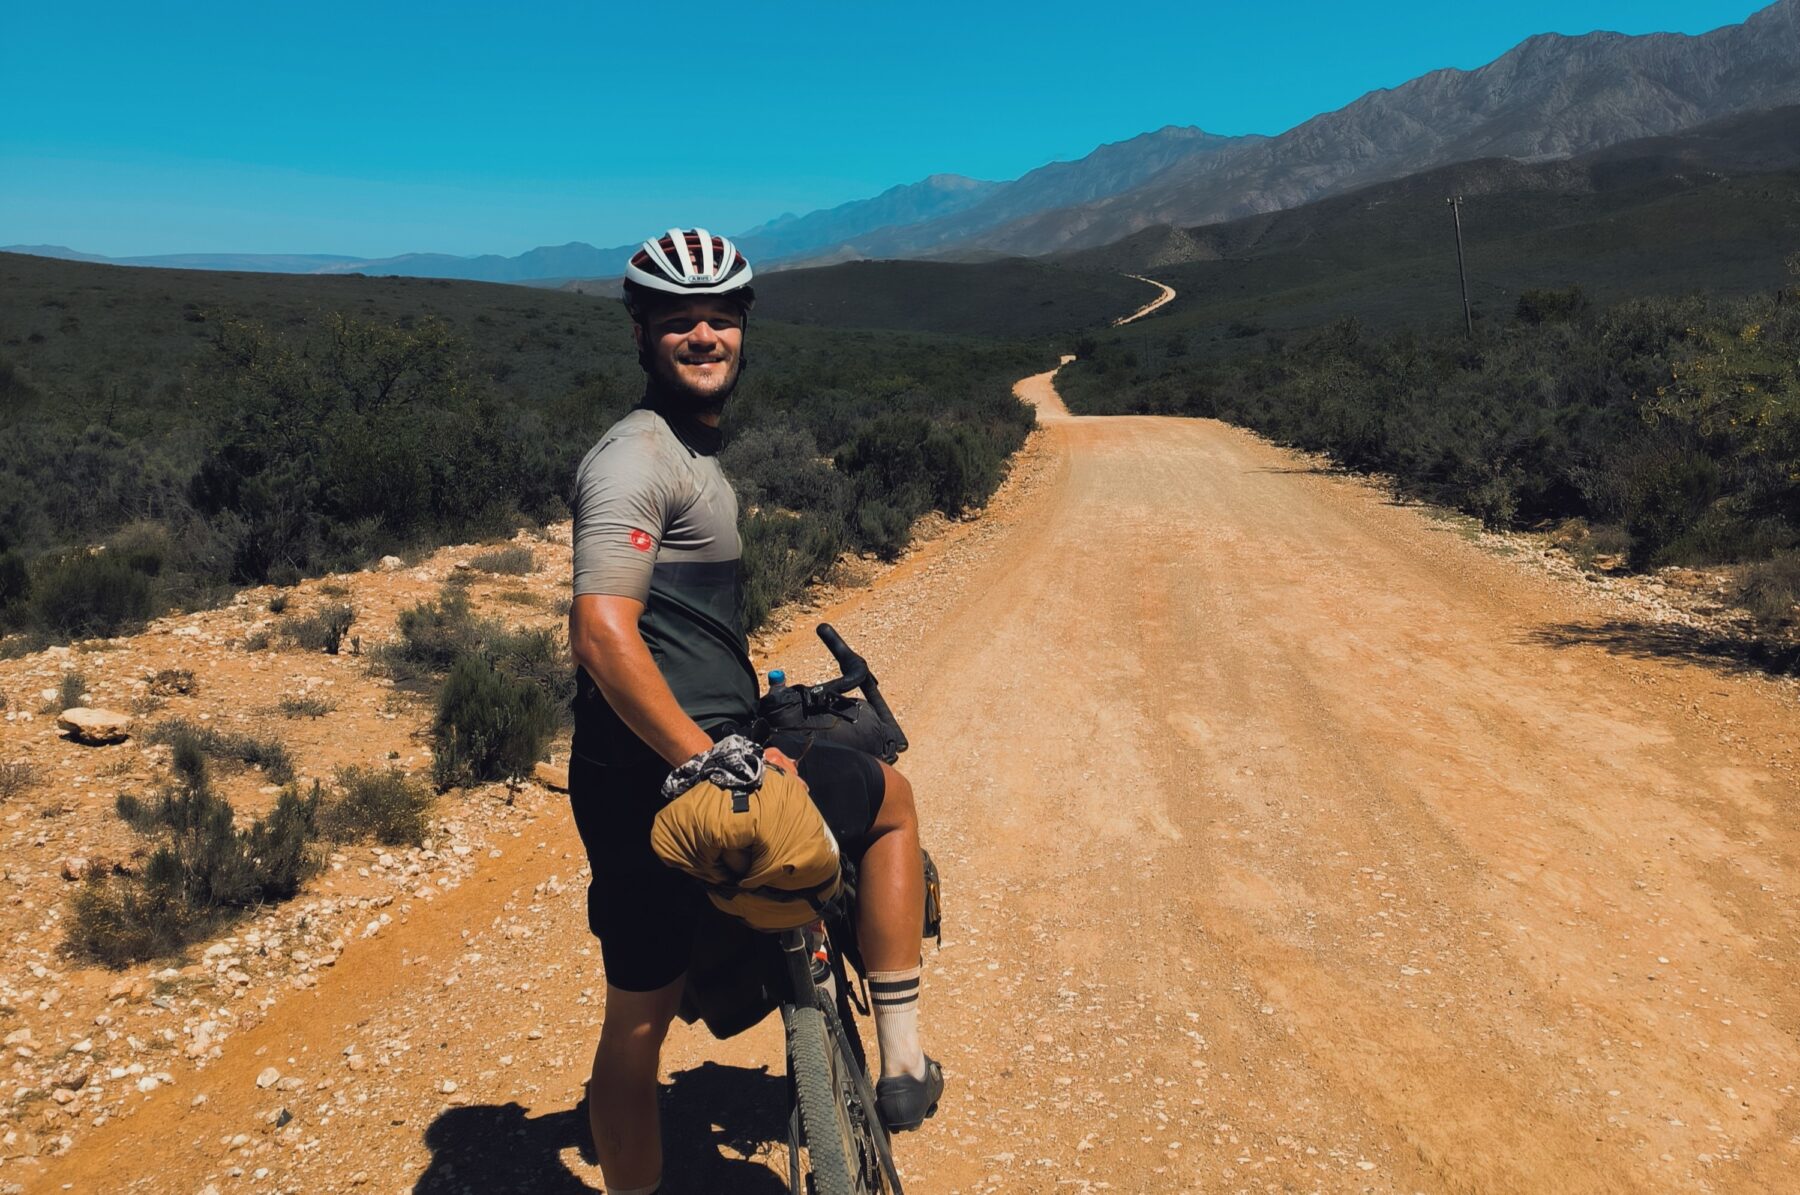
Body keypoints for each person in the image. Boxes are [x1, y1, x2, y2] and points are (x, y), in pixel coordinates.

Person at [567, 228, 942, 1194]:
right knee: (891, 802)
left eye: (720, 320)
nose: (704, 336)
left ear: (742, 330)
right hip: (665, 770)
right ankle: (904, 1057)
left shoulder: (688, 450)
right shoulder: (635, 459)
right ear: (643, 335)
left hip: (666, 759)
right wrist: (702, 753)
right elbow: (603, 632)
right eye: (680, 321)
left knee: (637, 1017)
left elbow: (672, 630)